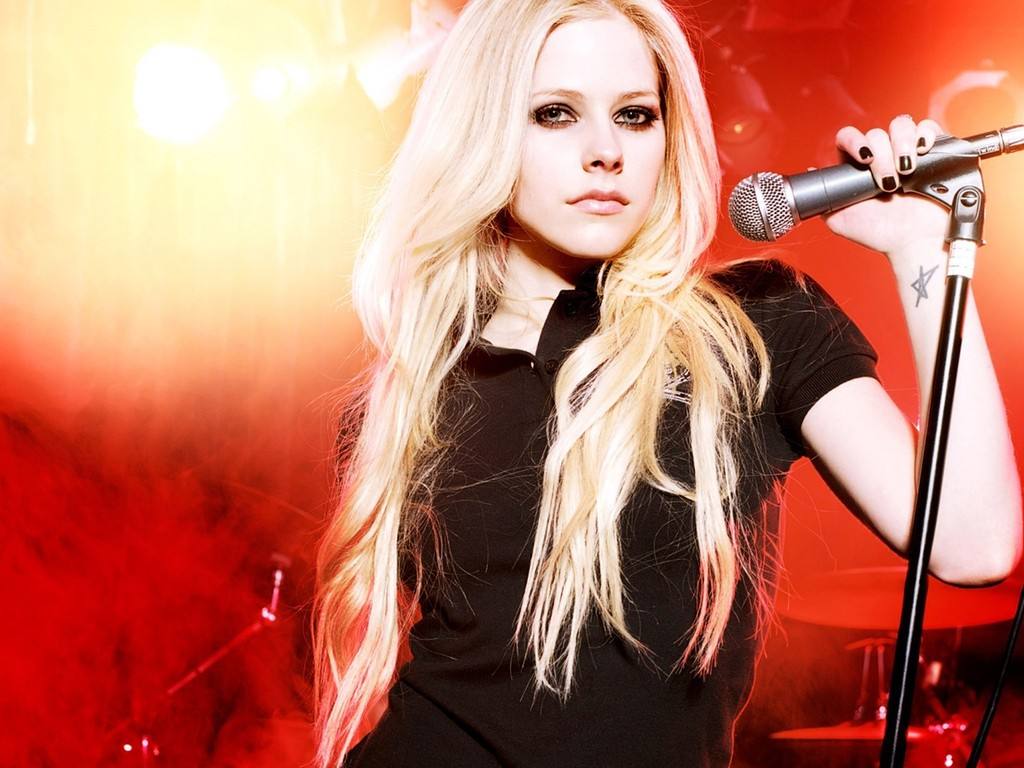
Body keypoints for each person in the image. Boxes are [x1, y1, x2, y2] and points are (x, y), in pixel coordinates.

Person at [312, 1, 1023, 766]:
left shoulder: (750, 326)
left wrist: (921, 248)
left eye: (635, 115)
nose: (606, 151)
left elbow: (974, 543)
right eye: (555, 113)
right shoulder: (412, 388)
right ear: (480, 130)